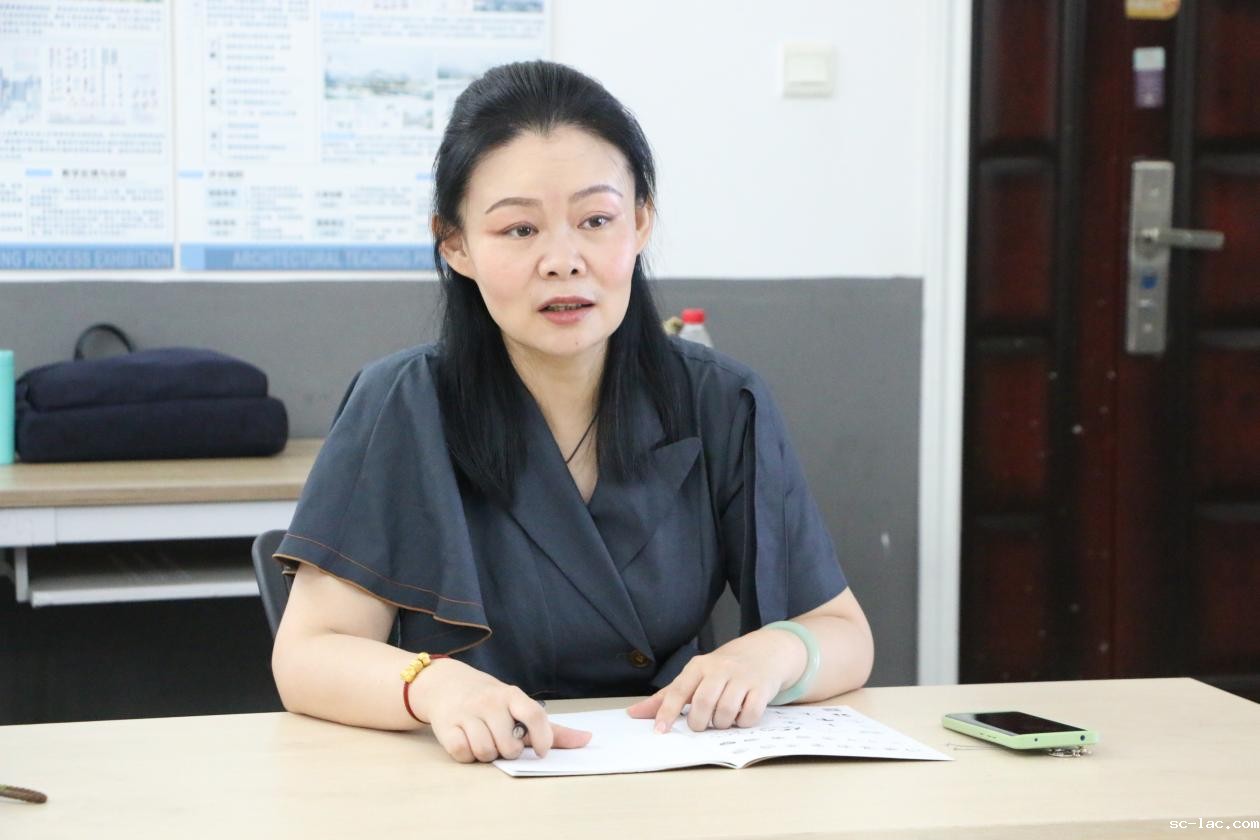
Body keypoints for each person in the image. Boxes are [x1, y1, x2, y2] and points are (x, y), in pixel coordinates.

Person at [270, 60, 874, 764]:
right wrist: (436, 688)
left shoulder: (720, 400)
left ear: (640, 222)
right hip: (474, 776)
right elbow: (307, 655)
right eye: (519, 229)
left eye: (596, 220)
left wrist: (771, 655)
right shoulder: (401, 402)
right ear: (455, 243)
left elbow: (843, 632)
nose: (563, 260)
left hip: (671, 771)